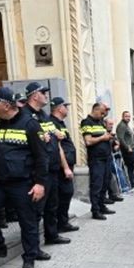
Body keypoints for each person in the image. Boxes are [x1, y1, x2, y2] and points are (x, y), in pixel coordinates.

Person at [0, 86, 49, 268]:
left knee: (28, 221)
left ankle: (30, 256)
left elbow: (42, 157)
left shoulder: (30, 125)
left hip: (23, 182)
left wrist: (39, 183)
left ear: (6, 105)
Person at [34, 95, 74, 246]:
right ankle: (35, 245)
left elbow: (57, 146)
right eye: (43, 94)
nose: (45, 96)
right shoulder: (32, 119)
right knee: (40, 208)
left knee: (52, 204)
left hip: (54, 167)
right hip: (44, 169)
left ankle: (52, 235)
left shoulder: (46, 119)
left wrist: (64, 166)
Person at [47, 96, 80, 234]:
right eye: (65, 106)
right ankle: (60, 224)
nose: (67, 109)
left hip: (67, 163)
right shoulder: (52, 123)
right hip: (61, 166)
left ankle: (63, 222)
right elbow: (58, 147)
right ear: (59, 108)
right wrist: (65, 167)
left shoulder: (60, 123)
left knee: (66, 194)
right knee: (62, 194)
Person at [81, 102, 114, 219]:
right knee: (97, 184)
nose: (103, 115)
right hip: (96, 159)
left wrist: (109, 137)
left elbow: (104, 135)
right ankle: (95, 210)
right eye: (101, 113)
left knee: (105, 183)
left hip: (106, 157)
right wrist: (102, 138)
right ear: (95, 110)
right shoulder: (86, 122)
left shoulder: (100, 122)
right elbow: (88, 141)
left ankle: (101, 205)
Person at [117, 110, 134, 188]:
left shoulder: (126, 125)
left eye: (129, 116)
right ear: (122, 117)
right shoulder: (122, 126)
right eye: (126, 116)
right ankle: (132, 183)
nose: (128, 118)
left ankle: (133, 183)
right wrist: (127, 147)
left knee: (131, 166)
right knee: (131, 165)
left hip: (131, 148)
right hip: (127, 150)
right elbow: (121, 138)